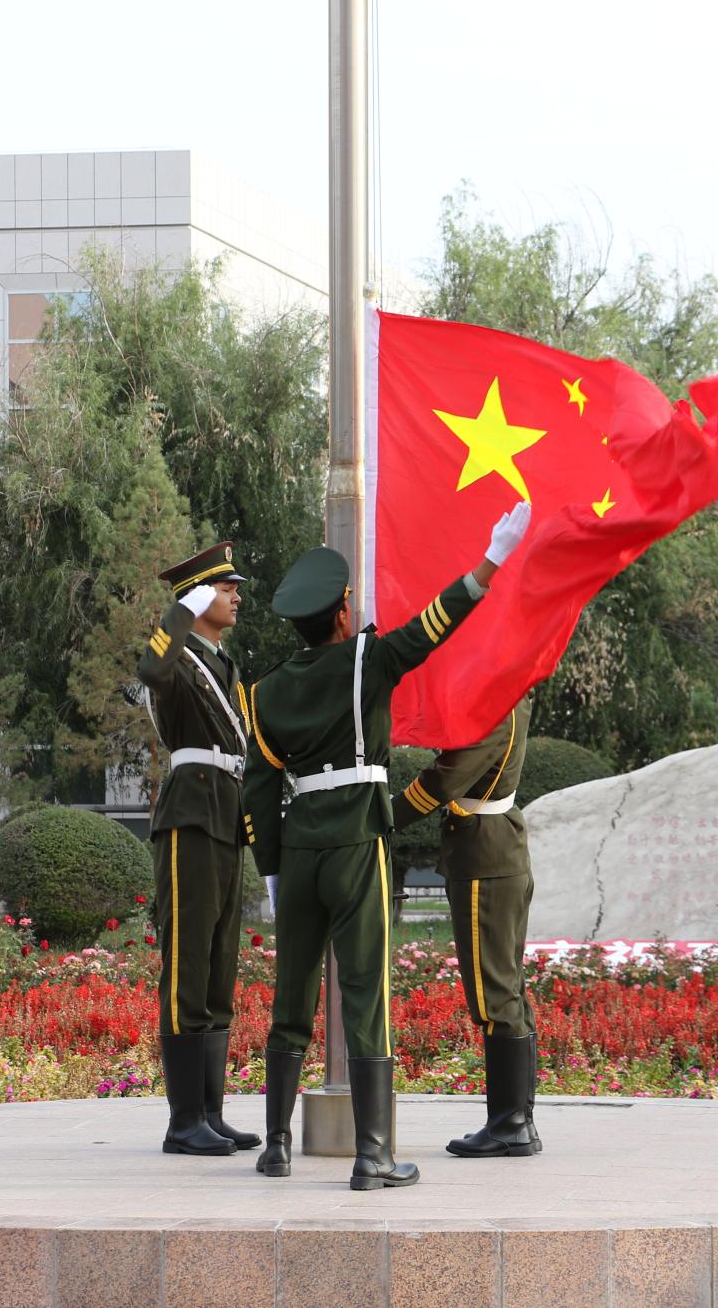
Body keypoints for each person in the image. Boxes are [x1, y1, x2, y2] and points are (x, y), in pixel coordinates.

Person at [244, 502, 532, 1190]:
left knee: (291, 994)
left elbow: (258, 789)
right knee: (365, 994)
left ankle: (276, 1145)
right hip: (357, 843)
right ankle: (372, 1154)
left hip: (300, 851)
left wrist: (273, 868)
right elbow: (434, 624)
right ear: (343, 611)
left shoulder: (266, 691)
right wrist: (491, 560)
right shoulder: (366, 660)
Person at [136, 541, 257, 1157]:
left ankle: (210, 1112)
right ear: (201, 595)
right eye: (226, 590)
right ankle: (184, 1121)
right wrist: (182, 609)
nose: (236, 599)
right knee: (187, 966)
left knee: (217, 968)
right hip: (190, 815)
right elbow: (151, 672)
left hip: (226, 816)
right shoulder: (179, 657)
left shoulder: (224, 664)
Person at [390, 696, 540, 1158]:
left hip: (483, 859)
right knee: (508, 990)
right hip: (495, 850)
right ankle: (518, 1121)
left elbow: (447, 776)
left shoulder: (494, 705)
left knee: (495, 996)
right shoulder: (511, 698)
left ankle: (510, 1124)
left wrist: (384, 816)